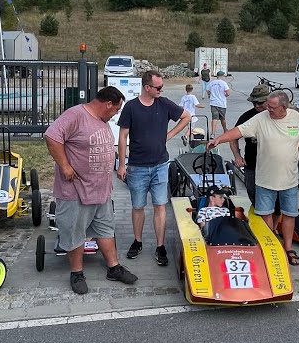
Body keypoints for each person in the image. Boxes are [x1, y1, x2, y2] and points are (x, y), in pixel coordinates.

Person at [45, 86, 138, 294]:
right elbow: (52, 136)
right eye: (115, 110)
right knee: (75, 233)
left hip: (100, 190)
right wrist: (65, 166)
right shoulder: (76, 115)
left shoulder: (102, 121)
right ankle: (76, 273)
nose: (115, 115)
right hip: (76, 191)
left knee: (105, 230)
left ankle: (113, 268)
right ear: (108, 104)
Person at [205, 91, 299, 265]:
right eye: (267, 105)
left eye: (272, 107)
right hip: (265, 180)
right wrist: (218, 139)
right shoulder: (260, 119)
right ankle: (270, 246)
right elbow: (238, 131)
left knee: (289, 215)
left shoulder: (297, 118)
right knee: (265, 215)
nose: (268, 109)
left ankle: (288, 248)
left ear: (284, 107)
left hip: (289, 180)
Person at [117, 70, 190, 267]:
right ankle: (137, 241)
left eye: (162, 87)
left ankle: (160, 246)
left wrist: (170, 135)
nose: (161, 90)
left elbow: (186, 117)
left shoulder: (164, 104)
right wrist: (122, 164)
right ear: (147, 87)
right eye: (158, 87)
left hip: (160, 165)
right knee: (138, 206)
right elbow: (123, 136)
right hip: (137, 166)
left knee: (160, 205)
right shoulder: (131, 107)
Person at [230, 84, 270, 198]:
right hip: (252, 165)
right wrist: (237, 156)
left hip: (271, 167)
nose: (257, 106)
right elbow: (233, 137)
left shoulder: (276, 115)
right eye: (254, 103)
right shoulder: (247, 117)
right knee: (253, 195)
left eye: (260, 103)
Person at [206, 71, 232, 135]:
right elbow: (228, 93)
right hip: (221, 103)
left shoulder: (212, 83)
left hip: (213, 103)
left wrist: (210, 94)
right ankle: (225, 130)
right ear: (222, 76)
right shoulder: (223, 83)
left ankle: (213, 133)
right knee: (222, 118)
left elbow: (207, 90)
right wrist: (225, 95)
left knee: (214, 118)